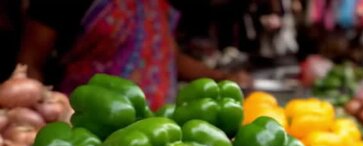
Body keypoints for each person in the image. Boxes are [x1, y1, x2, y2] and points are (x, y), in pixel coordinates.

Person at [18, 0, 251, 110]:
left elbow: (168, 54)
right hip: (88, 123)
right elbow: (30, 62)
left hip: (161, 125)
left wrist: (218, 77)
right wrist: (32, 117)